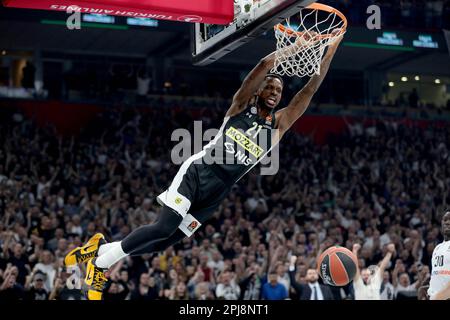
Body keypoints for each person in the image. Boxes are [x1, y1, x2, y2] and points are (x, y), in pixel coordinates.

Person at [64, 32, 345, 300]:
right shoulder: (239, 107)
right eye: (269, 86)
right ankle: (100, 265)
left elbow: (310, 89)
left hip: (218, 191)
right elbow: (263, 65)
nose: (274, 91)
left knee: (165, 242)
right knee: (162, 228)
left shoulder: (278, 125)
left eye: (279, 89)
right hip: (199, 172)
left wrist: (330, 50)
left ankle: (98, 250)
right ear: (258, 91)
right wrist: (294, 49)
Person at [427, 210, 450, 300]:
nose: (448, 222)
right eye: (445, 220)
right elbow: (436, 274)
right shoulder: (437, 248)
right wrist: (429, 289)